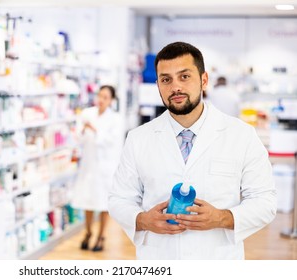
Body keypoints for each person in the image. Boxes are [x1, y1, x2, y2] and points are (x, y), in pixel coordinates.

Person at [108, 42, 276, 259]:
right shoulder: (138, 138)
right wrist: (142, 220)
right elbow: (119, 199)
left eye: (184, 76)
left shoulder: (241, 135)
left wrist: (223, 218)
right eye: (166, 79)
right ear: (158, 84)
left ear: (204, 80)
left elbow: (265, 201)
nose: (175, 87)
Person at [71, 85, 123, 252]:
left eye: (105, 97)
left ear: (111, 100)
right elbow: (78, 135)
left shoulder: (115, 119)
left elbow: (112, 142)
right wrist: (83, 130)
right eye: (100, 96)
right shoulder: (88, 114)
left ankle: (101, 236)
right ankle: (88, 232)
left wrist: (95, 130)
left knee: (103, 203)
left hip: (106, 167)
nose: (101, 100)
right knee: (87, 200)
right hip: (89, 164)